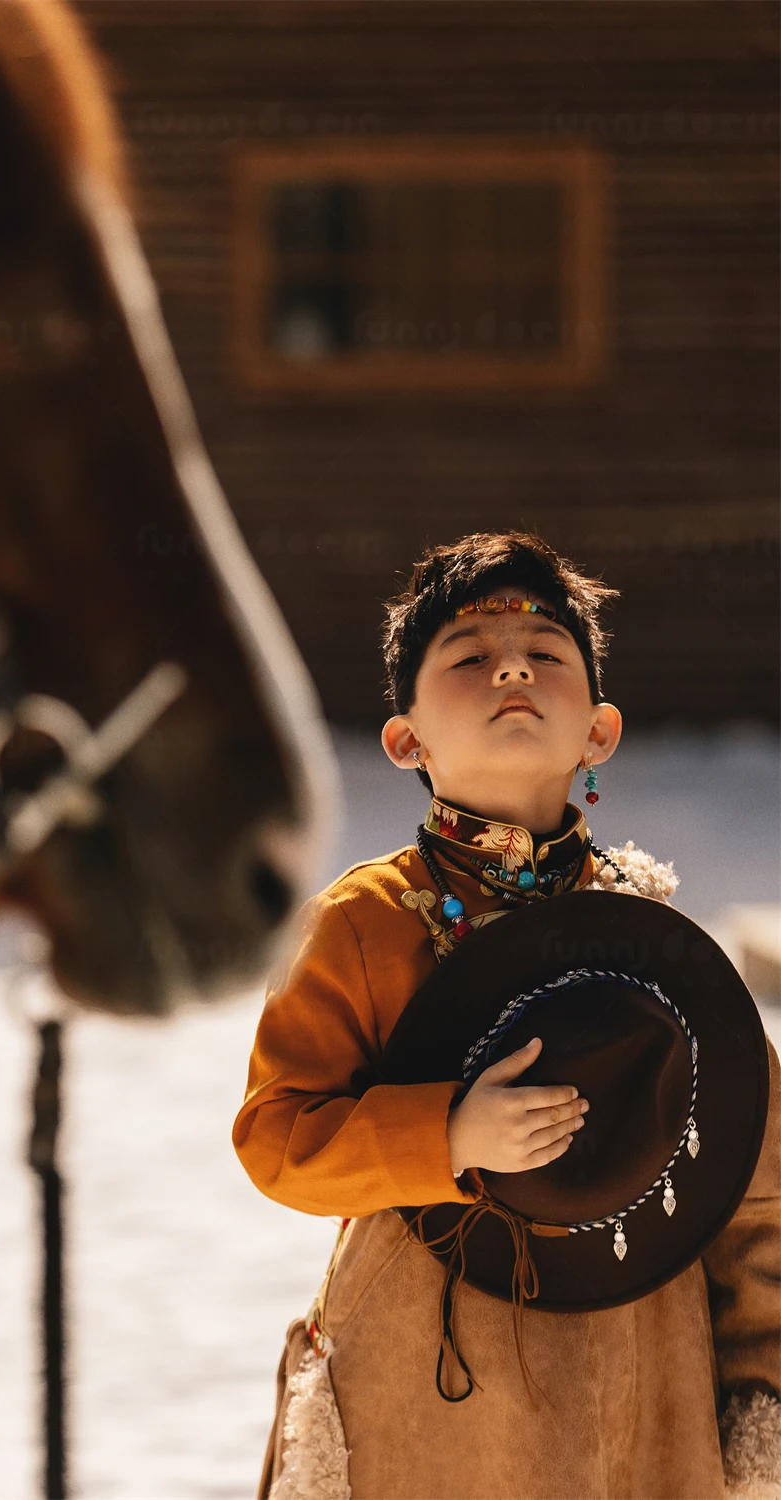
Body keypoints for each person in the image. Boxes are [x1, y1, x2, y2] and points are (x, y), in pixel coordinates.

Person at [233, 531, 780, 1500]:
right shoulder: (359, 926)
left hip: (646, 1399)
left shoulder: (654, 940)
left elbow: (757, 1194)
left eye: (545, 653)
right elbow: (276, 1137)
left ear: (598, 732)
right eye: (469, 655)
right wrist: (445, 1133)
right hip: (430, 1394)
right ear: (404, 739)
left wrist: (760, 1393)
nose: (513, 665)